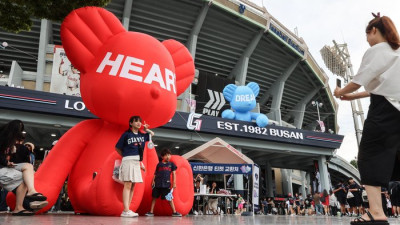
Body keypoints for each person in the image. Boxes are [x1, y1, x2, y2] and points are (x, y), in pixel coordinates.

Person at [334, 13, 400, 225]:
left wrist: (340, 91)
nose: (367, 40)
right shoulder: (397, 51)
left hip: (384, 110)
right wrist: (352, 96)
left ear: (373, 30)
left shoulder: (376, 50)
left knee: (369, 156)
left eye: (367, 34)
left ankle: (376, 213)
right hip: (396, 106)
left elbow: (359, 80)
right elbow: (382, 85)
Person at [0, 120, 48, 216]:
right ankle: (22, 206)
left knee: (28, 167)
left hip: (6, 166)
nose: (20, 132)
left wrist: (10, 158)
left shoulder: (12, 143)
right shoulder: (2, 138)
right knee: (22, 177)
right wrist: (6, 161)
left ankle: (31, 191)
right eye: (19, 129)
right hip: (2, 167)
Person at [115, 116, 154, 217]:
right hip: (128, 160)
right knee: (128, 184)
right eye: (136, 121)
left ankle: (128, 209)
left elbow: (152, 134)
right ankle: (125, 210)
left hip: (137, 161)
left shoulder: (142, 134)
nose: (138, 123)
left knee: (133, 185)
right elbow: (117, 147)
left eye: (139, 121)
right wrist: (126, 155)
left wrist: (146, 129)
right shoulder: (126, 134)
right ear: (131, 123)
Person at [145, 148, 181, 217]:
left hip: (166, 184)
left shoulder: (172, 165)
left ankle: (174, 212)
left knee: (169, 198)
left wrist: (174, 183)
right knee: (154, 197)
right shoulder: (159, 164)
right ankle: (151, 212)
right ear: (162, 157)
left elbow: (174, 174)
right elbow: (155, 173)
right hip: (157, 184)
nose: (168, 157)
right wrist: (153, 181)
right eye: (166, 155)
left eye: (169, 155)